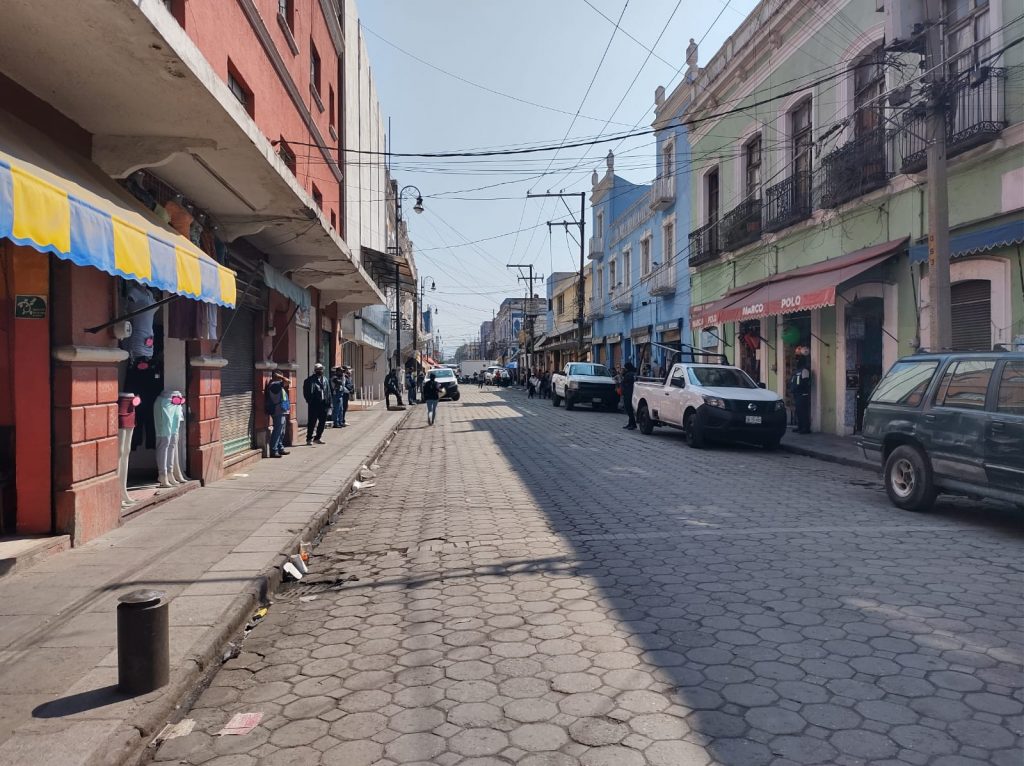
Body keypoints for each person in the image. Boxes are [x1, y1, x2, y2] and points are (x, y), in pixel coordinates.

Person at [302, 362, 331, 445]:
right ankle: (309, 438)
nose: (320, 371)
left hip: (324, 404)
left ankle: (317, 437)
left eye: (321, 369)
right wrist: (310, 401)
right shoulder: (309, 380)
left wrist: (329, 404)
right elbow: (306, 393)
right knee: (312, 422)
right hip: (314, 404)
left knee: (322, 422)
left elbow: (328, 392)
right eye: (318, 370)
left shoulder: (325, 379)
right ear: (315, 371)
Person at [264, 371, 291, 457]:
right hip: (278, 411)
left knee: (281, 431)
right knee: (277, 431)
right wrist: (281, 377)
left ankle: (280, 448)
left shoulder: (277, 385)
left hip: (282, 410)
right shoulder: (275, 385)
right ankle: (274, 450)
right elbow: (288, 381)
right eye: (281, 376)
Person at [791, 357, 812, 434]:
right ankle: (800, 426)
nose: (797, 363)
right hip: (797, 394)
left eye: (798, 361)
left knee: (803, 412)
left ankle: (805, 428)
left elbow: (805, 382)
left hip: (803, 394)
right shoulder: (796, 371)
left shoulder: (805, 370)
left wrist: (802, 390)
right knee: (799, 411)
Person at [621, 361, 638, 430]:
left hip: (629, 393)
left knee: (629, 409)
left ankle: (633, 424)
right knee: (628, 409)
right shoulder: (630, 374)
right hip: (628, 393)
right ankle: (630, 423)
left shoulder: (630, 374)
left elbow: (627, 383)